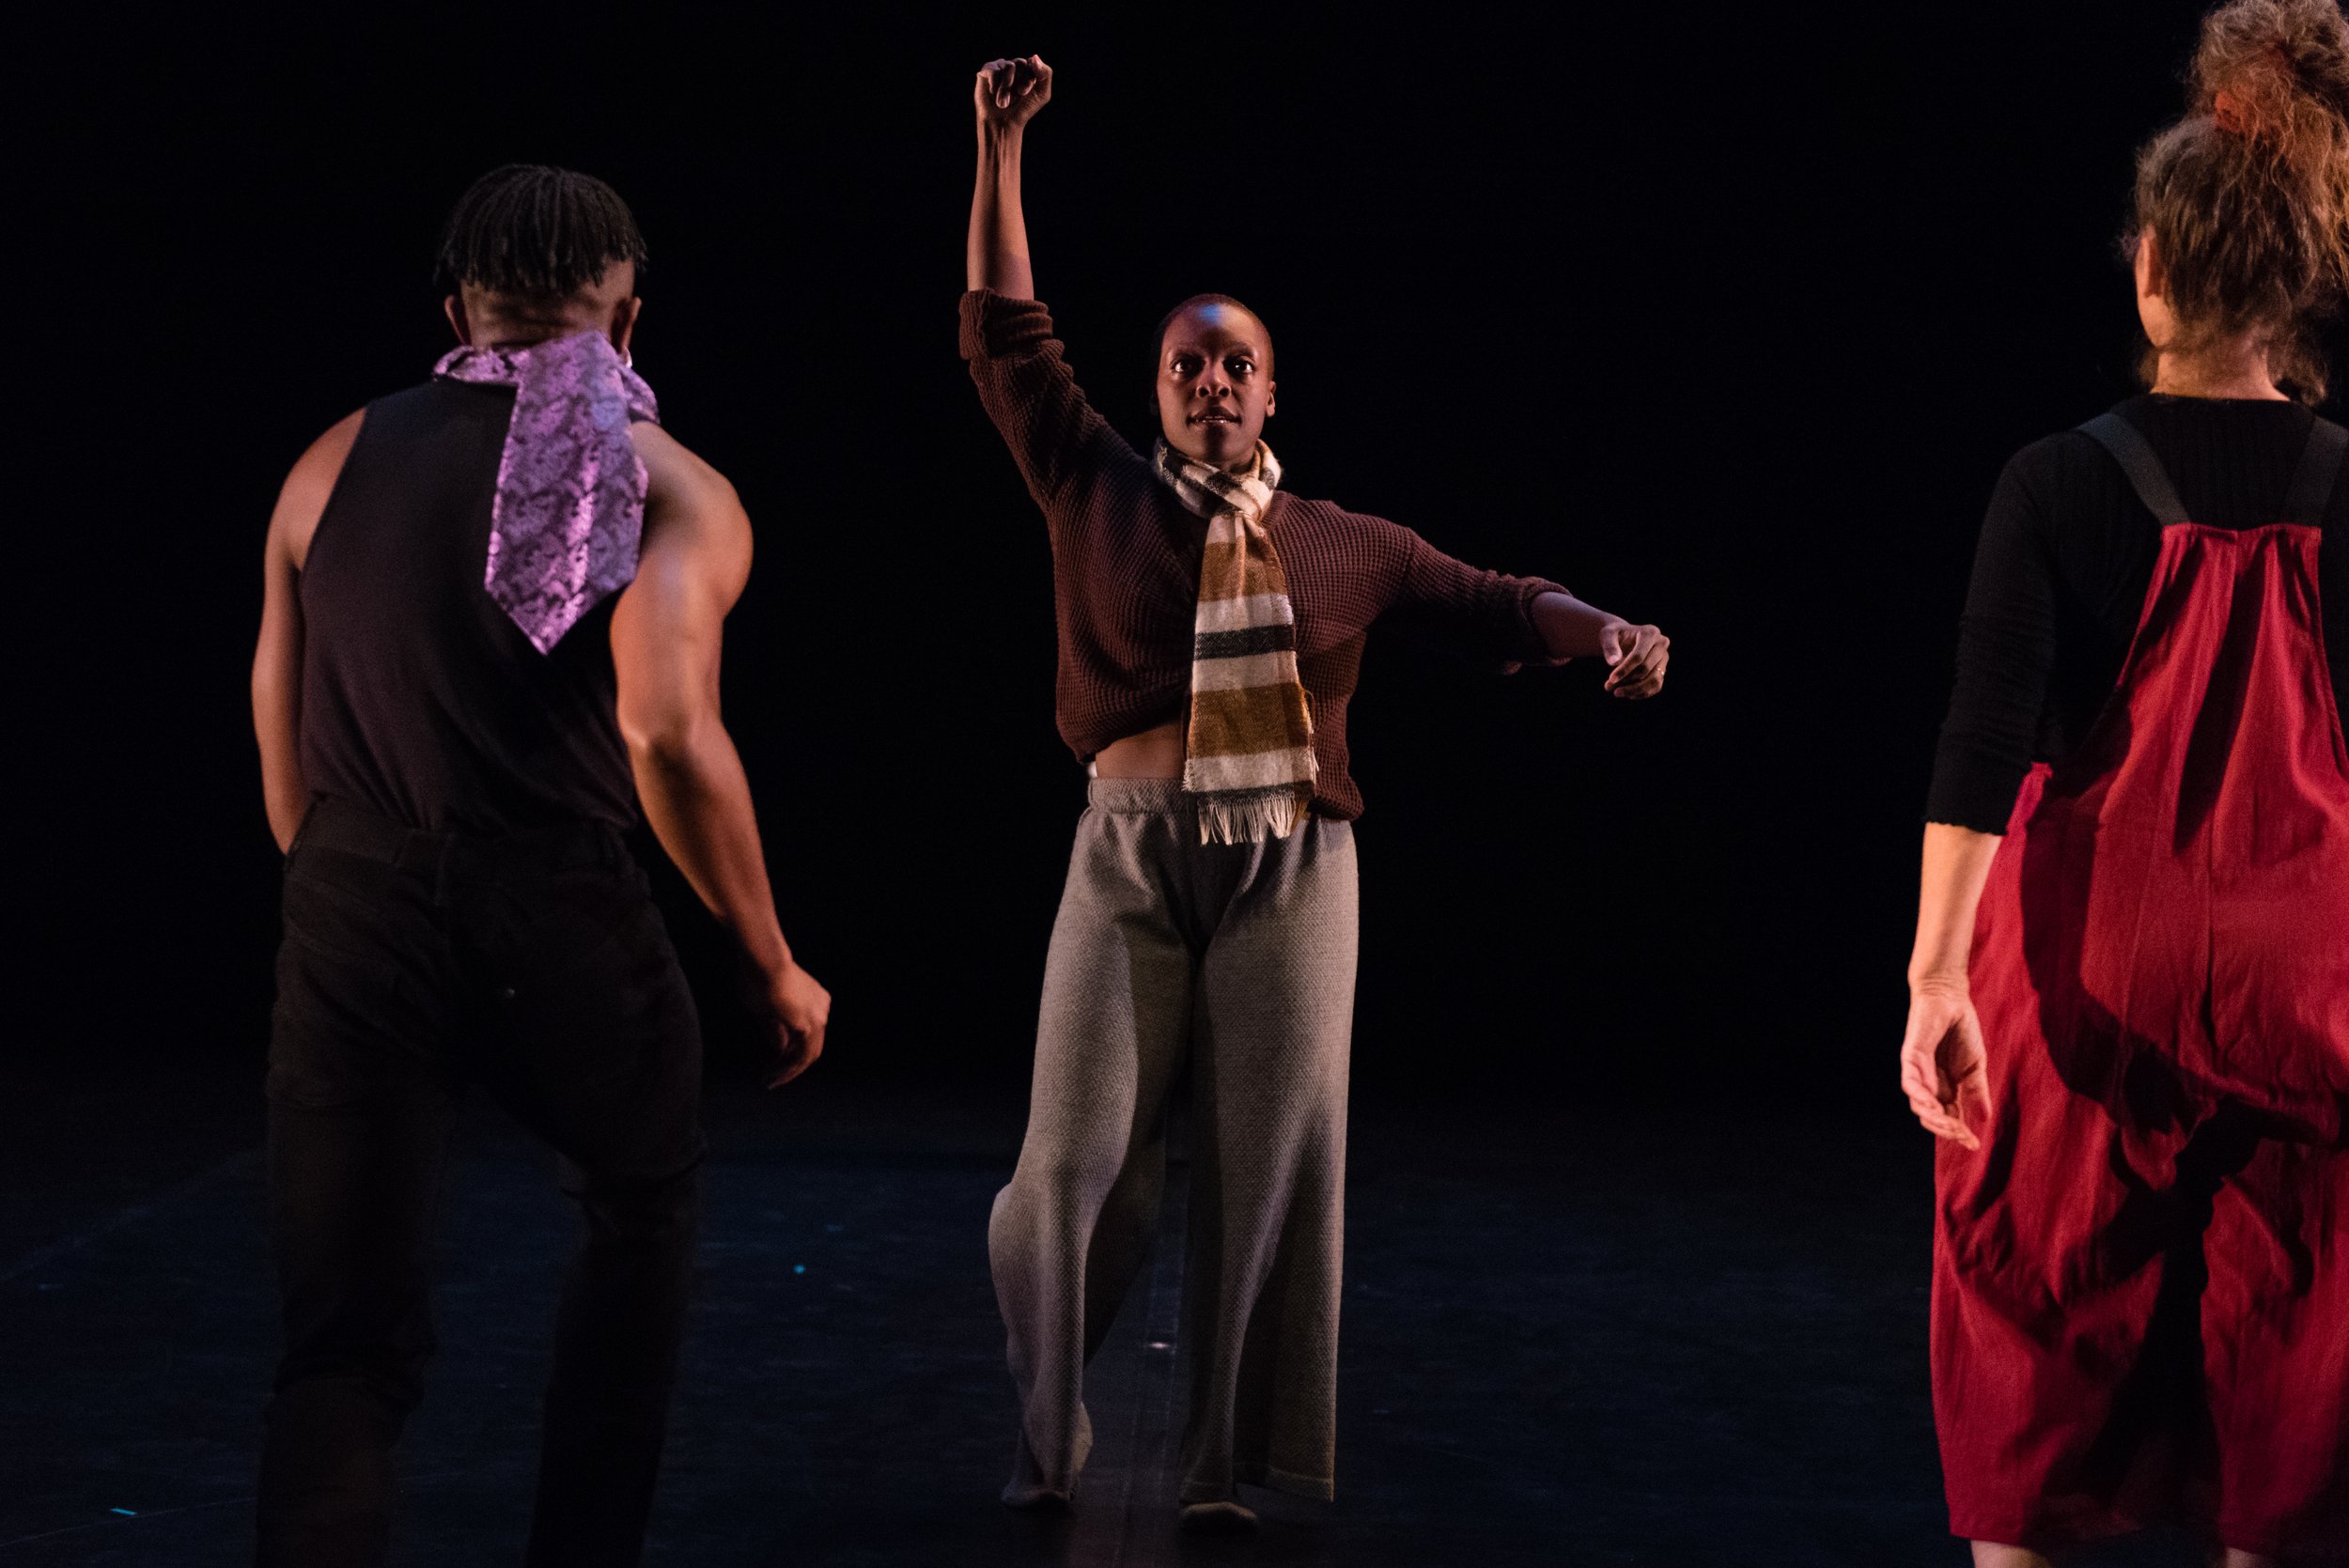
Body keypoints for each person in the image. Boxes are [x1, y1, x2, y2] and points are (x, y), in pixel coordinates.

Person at [960, 55, 1672, 1529]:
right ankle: (1051, 1425)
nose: (1212, 380)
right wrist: (1000, 147)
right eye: (1185, 363)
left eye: (1237, 363)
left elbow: (1496, 596)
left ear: (1276, 390)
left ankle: (1218, 1468)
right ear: (1154, 390)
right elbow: (1007, 339)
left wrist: (1606, 631)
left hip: (1293, 867)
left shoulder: (1345, 540)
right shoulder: (1092, 485)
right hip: (1130, 851)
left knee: (1262, 1173)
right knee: (1073, 1173)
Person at [247, 163, 830, 1568]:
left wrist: (368, 904)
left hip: (352, 897)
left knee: (342, 1348)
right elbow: (666, 731)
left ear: (457, 309)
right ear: (626, 327)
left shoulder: (330, 460)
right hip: (559, 903)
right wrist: (769, 960)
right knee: (638, 1208)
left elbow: (282, 757)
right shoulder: (671, 483)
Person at [1899, 3, 2349, 1562]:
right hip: (2309, 978)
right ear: (2293, 287)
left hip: (2092, 966)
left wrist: (1934, 978)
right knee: (2292, 1346)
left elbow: (1980, 737)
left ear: (2152, 268)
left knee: (2028, 1301)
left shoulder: (2058, 478)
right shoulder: (2348, 485)